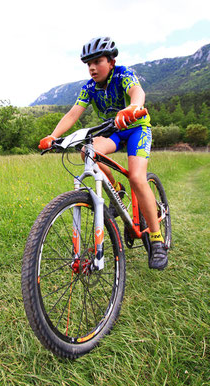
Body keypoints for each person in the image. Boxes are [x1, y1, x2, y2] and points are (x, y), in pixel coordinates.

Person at [39, 36, 168, 270]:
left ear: (111, 61)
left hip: (137, 128)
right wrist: (52, 136)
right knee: (88, 151)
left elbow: (137, 92)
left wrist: (132, 108)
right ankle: (115, 190)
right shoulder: (89, 87)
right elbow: (72, 114)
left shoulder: (123, 74)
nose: (92, 67)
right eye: (88, 63)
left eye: (97, 61)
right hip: (114, 131)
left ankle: (157, 239)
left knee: (138, 178)